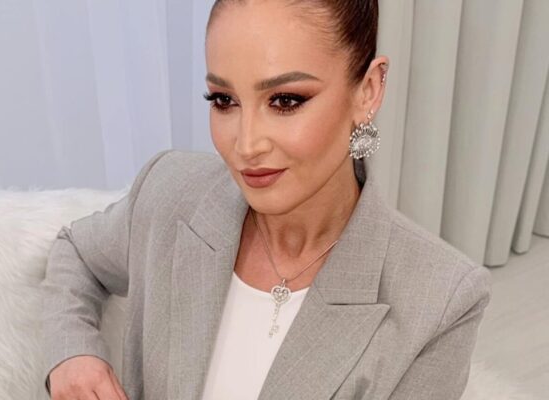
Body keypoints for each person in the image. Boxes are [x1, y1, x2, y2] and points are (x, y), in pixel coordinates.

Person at [41, 0, 492, 399]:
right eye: (224, 100)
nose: (246, 145)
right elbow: (76, 253)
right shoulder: (170, 192)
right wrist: (73, 354)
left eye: (286, 101)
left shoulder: (439, 301)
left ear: (368, 90)